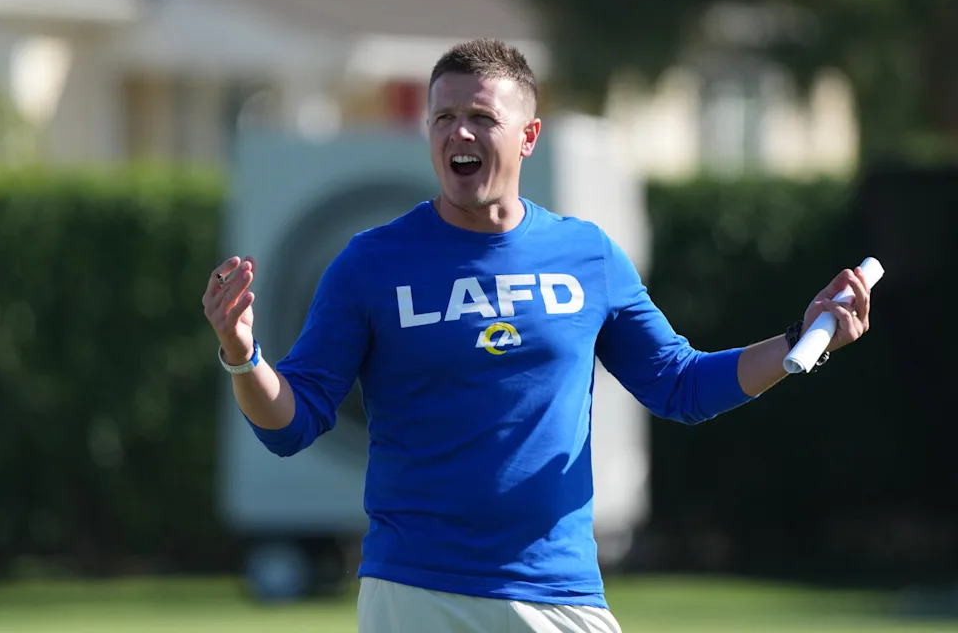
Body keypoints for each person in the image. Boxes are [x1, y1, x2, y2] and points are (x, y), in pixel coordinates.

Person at [201, 39, 873, 633]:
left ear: (528, 136)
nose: (458, 132)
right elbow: (289, 424)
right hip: (414, 591)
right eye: (443, 118)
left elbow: (680, 386)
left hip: (557, 589)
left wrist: (797, 341)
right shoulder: (369, 263)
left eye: (481, 118)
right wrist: (242, 355)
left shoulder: (587, 254)